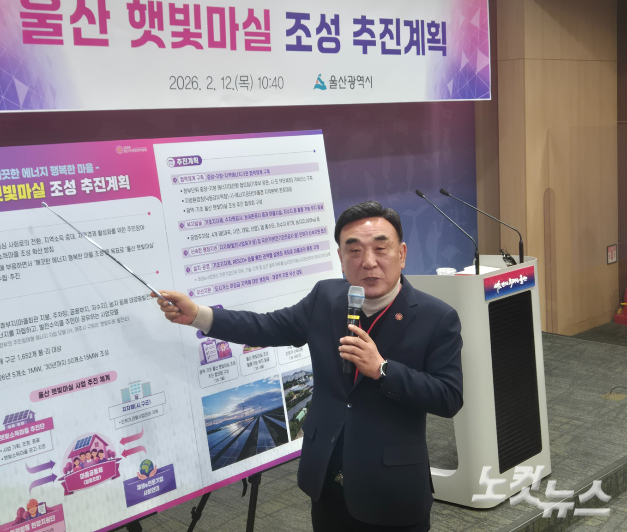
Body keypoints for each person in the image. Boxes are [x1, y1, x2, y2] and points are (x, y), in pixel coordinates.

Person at [154, 201, 463, 531]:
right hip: (326, 478)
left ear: (401, 254)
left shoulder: (436, 317)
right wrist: (199, 315)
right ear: (341, 257)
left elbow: (448, 397)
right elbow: (267, 327)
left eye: (380, 248)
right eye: (354, 250)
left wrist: (383, 370)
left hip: (390, 489)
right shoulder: (326, 298)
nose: (368, 262)